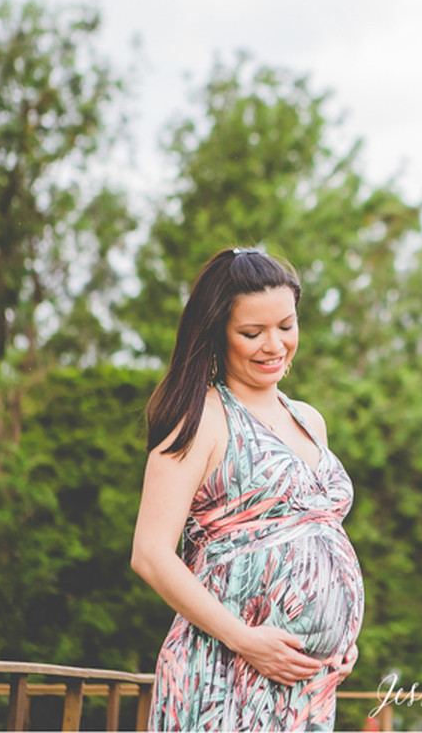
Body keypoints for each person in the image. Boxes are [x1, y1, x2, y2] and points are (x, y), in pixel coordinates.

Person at [132, 247, 364, 732]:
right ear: (218, 335)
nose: (275, 345)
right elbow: (151, 554)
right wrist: (245, 639)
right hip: (223, 674)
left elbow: (317, 538)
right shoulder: (199, 420)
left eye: (286, 325)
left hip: (304, 686)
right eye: (252, 333)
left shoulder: (309, 420)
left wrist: (340, 641)